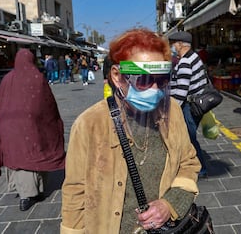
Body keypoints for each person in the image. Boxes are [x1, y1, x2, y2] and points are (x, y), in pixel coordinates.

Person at [61, 29, 201, 233]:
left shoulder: (173, 111)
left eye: (161, 79)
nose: (154, 88)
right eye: (143, 80)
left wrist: (169, 204)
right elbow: (75, 191)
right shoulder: (89, 124)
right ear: (117, 76)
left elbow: (188, 162)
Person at [0, 49, 66, 211]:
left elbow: (0, 103)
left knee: (18, 156)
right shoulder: (37, 78)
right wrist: (52, 122)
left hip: (9, 126)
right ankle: (31, 193)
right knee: (37, 152)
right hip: (34, 125)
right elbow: (48, 105)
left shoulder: (7, 79)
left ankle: (27, 193)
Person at [168, 31, 209, 177]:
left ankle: (201, 168)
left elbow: (181, 92)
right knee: (189, 137)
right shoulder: (194, 57)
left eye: (173, 43)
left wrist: (172, 110)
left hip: (189, 107)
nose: (172, 46)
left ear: (180, 44)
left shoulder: (185, 61)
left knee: (189, 139)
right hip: (196, 103)